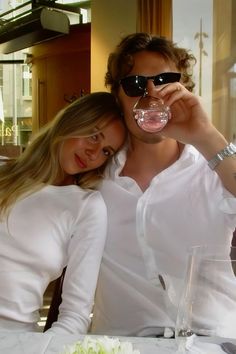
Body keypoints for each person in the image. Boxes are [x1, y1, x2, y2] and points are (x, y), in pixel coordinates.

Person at [90, 33, 236, 337]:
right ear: (117, 96)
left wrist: (206, 135)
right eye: (135, 85)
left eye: (165, 80)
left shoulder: (216, 167)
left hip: (211, 341)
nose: (152, 94)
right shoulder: (94, 175)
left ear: (184, 88)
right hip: (122, 343)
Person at [0, 92, 126, 334]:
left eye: (106, 151)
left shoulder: (86, 206)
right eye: (93, 135)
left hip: (15, 342)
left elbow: (75, 315)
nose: (94, 153)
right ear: (70, 121)